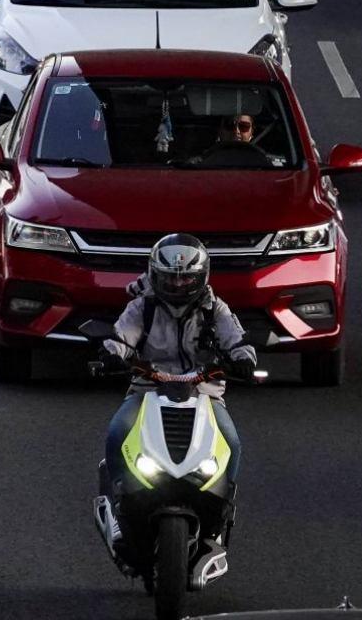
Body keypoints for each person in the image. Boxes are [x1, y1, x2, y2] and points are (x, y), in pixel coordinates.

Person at [96, 235, 257, 552]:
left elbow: (236, 340)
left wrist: (244, 360)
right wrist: (111, 354)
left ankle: (222, 513)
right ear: (155, 275)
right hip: (147, 388)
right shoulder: (141, 306)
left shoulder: (216, 309)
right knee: (117, 433)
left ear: (201, 277)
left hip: (204, 392)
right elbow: (121, 337)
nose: (178, 284)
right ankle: (118, 508)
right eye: (170, 277)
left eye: (186, 278)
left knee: (232, 442)